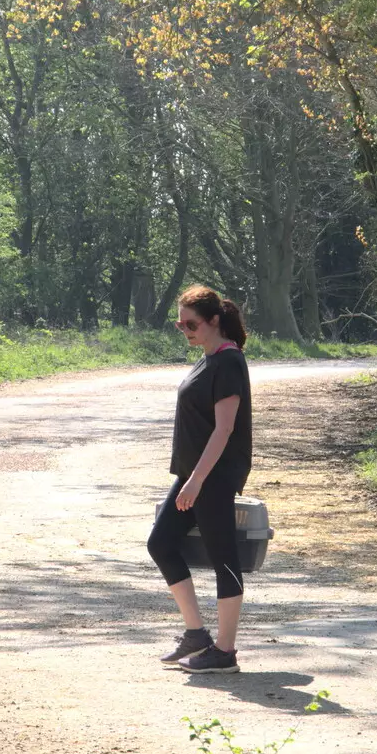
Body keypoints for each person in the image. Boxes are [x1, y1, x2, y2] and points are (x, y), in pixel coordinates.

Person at [148, 285, 253, 674]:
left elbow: (224, 430)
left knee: (222, 555)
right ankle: (196, 634)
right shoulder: (207, 359)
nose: (185, 330)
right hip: (193, 473)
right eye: (179, 324)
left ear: (213, 321)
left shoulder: (228, 362)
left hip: (214, 474)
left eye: (191, 323)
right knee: (161, 543)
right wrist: (189, 478)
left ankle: (225, 651)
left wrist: (196, 481)